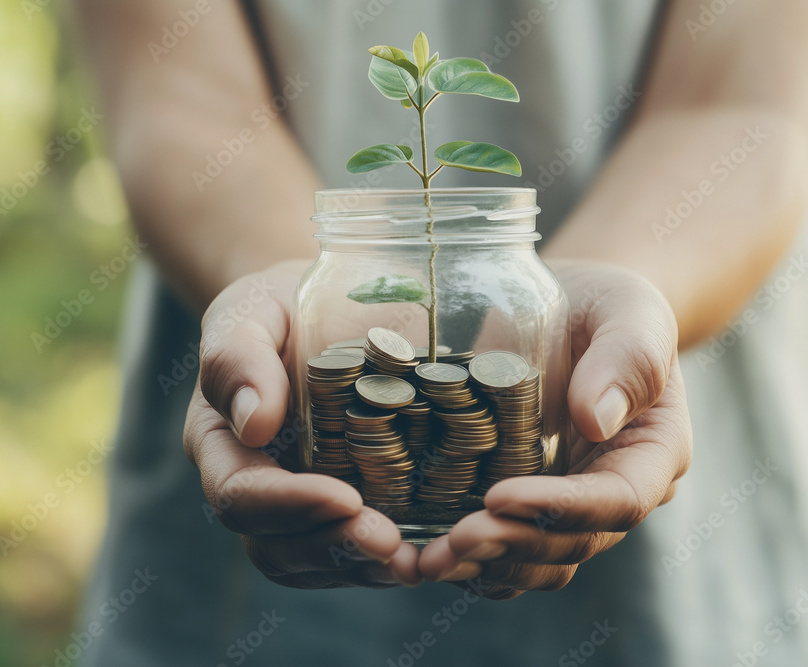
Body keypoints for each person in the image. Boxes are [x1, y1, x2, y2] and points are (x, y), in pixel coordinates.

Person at [73, 1, 808, 664]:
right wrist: (306, 293)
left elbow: (747, 108)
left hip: (696, 535)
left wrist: (583, 308)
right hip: (254, 513)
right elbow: (185, 103)